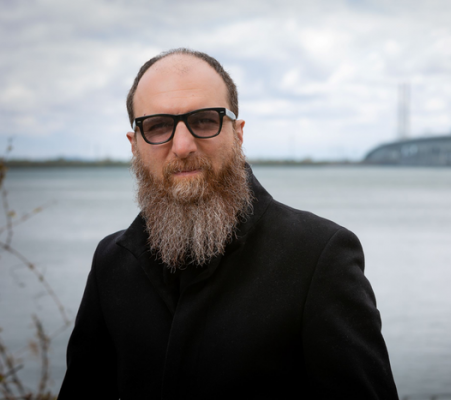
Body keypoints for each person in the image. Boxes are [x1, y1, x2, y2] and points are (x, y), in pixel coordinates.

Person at [58, 48, 398, 400]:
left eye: (205, 121)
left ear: (238, 133)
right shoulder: (112, 262)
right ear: (134, 145)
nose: (183, 146)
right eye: (158, 126)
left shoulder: (318, 256)